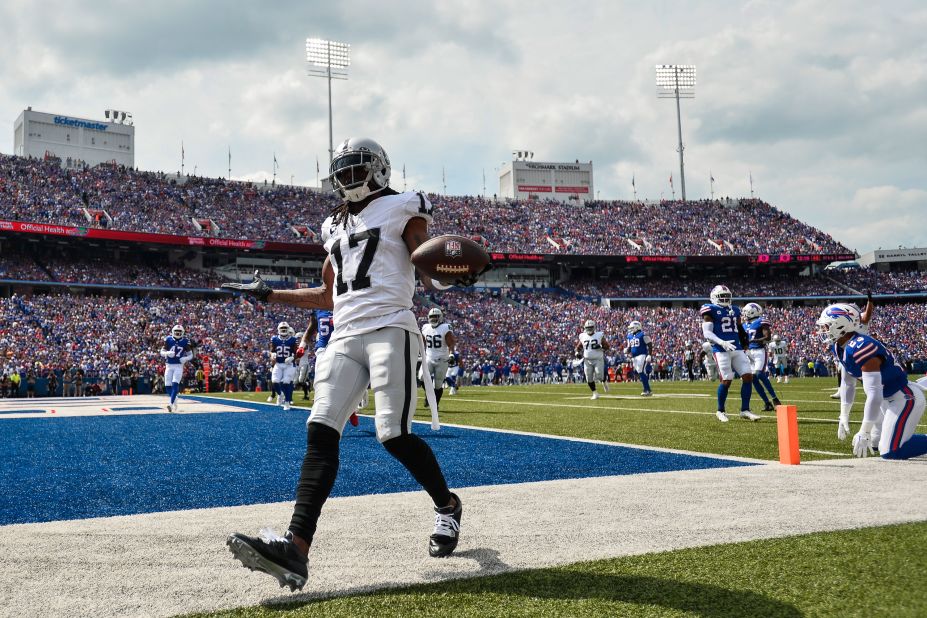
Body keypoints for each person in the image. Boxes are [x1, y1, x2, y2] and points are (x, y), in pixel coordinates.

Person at [222, 137, 476, 591]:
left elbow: (425, 263)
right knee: (320, 429)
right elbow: (328, 295)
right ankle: (296, 550)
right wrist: (270, 294)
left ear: (378, 169)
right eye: (341, 171)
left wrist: (453, 273)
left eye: (356, 168)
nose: (347, 178)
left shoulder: (404, 205)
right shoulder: (333, 225)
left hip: (390, 326)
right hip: (343, 334)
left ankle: (447, 506)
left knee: (392, 434)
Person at [816, 304, 926, 459]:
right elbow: (848, 383)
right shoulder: (839, 346)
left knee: (891, 451)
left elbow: (874, 393)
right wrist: (843, 415)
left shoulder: (862, 346)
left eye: (826, 326)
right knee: (875, 443)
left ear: (841, 324)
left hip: (903, 397)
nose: (823, 330)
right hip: (885, 401)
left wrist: (864, 431)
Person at [700, 285, 760, 422]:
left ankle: (745, 410)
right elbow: (707, 333)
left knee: (748, 376)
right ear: (714, 298)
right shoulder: (710, 309)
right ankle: (720, 410)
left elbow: (739, 329)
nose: (726, 299)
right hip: (721, 349)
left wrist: (746, 344)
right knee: (727, 380)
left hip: (737, 348)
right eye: (723, 297)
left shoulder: (735, 309)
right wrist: (721, 342)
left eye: (727, 296)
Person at [741, 302, 782, 412]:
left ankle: (775, 398)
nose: (744, 314)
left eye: (746, 312)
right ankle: (767, 403)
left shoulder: (761, 321)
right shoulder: (744, 325)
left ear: (753, 312)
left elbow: (768, 337)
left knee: (759, 373)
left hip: (759, 351)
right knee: (752, 378)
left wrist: (755, 340)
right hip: (748, 352)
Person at [421, 307, 456, 410]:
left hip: (442, 359)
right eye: (431, 317)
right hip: (429, 357)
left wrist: (451, 354)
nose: (433, 319)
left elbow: (451, 343)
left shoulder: (445, 327)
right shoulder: (425, 327)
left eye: (435, 316)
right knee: (422, 377)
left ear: (440, 317)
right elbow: (422, 342)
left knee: (438, 384)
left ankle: (435, 404)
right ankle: (428, 395)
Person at [159, 324, 193, 413]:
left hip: (178, 366)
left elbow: (191, 355)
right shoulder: (168, 339)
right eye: (176, 332)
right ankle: (175, 398)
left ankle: (170, 404)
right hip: (169, 365)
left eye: (179, 332)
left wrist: (185, 358)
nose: (178, 333)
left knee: (175, 384)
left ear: (182, 332)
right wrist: (167, 353)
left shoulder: (185, 341)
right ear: (173, 332)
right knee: (167, 386)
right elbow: (161, 352)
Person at [268, 321, 298, 411]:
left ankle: (287, 402)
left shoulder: (293, 339)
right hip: (278, 363)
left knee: (286, 382)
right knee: (274, 381)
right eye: (282, 328)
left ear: (288, 329)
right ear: (278, 329)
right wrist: (272, 354)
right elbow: (272, 350)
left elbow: (297, 353)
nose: (283, 330)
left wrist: (292, 358)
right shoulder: (274, 339)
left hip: (289, 365)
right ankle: (280, 395)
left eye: (285, 328)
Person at [577, 319, 610, 400]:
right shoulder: (582, 336)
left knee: (599, 375)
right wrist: (577, 353)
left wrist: (600, 347)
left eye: (590, 327)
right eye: (588, 328)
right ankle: (595, 393)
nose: (589, 329)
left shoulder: (599, 335)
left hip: (598, 359)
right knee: (588, 378)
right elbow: (578, 347)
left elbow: (607, 347)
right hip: (587, 360)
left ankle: (604, 381)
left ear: (594, 327)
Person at [624, 320, 652, 396]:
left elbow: (649, 344)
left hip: (642, 355)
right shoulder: (630, 336)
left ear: (637, 327)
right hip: (634, 357)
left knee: (641, 371)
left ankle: (647, 390)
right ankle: (648, 389)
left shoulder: (642, 334)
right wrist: (627, 350)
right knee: (639, 372)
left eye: (632, 328)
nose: (631, 329)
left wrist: (649, 354)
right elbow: (630, 347)